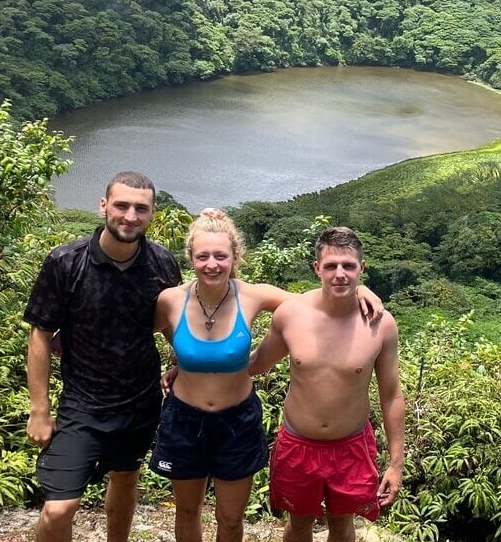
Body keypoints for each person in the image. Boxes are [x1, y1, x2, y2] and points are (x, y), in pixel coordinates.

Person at [151, 209, 384, 542]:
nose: (212, 264)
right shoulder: (170, 300)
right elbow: (143, 332)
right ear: (191, 257)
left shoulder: (252, 294)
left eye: (221, 255)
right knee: (187, 512)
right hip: (184, 419)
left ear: (235, 257)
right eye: (203, 256)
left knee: (230, 520)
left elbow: (319, 302)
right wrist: (186, 361)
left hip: (236, 420)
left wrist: (360, 291)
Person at [24, 171, 182, 542]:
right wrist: (39, 409)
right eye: (121, 205)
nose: (130, 216)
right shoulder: (66, 262)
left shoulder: (161, 263)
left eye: (140, 208)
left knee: (126, 478)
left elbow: (174, 323)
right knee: (59, 507)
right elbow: (40, 334)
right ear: (104, 206)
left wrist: (182, 362)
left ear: (153, 213)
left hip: (140, 400)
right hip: (82, 404)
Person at [249, 226, 404, 542]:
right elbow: (255, 365)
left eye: (348, 266)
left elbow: (391, 395)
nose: (340, 274)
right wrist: (193, 363)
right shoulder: (291, 314)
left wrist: (397, 464)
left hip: (351, 445)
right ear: (317, 268)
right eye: (331, 266)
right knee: (299, 523)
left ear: (362, 268)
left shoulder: (380, 325)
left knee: (342, 525)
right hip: (297, 443)